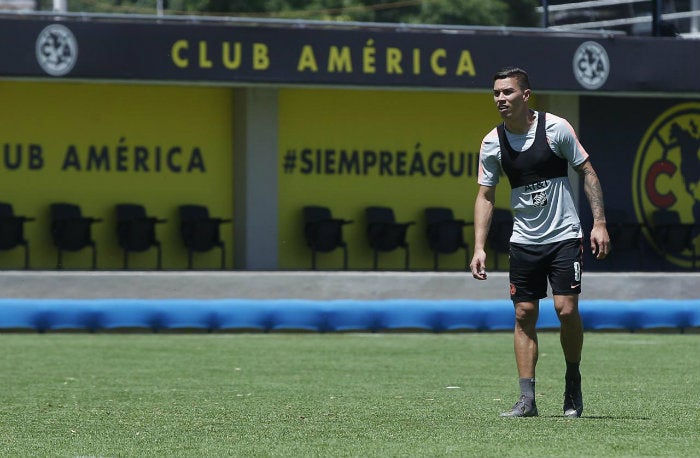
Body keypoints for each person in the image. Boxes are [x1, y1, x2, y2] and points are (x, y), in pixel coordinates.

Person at [469, 67, 610, 418]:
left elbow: (587, 171)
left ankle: (573, 380)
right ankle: (527, 399)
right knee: (524, 313)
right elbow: (485, 196)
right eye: (497, 93)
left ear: (526, 95)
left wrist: (600, 223)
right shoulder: (492, 143)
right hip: (524, 242)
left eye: (508, 92)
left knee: (566, 309)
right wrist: (479, 247)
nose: (501, 99)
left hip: (564, 235)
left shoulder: (556, 128)